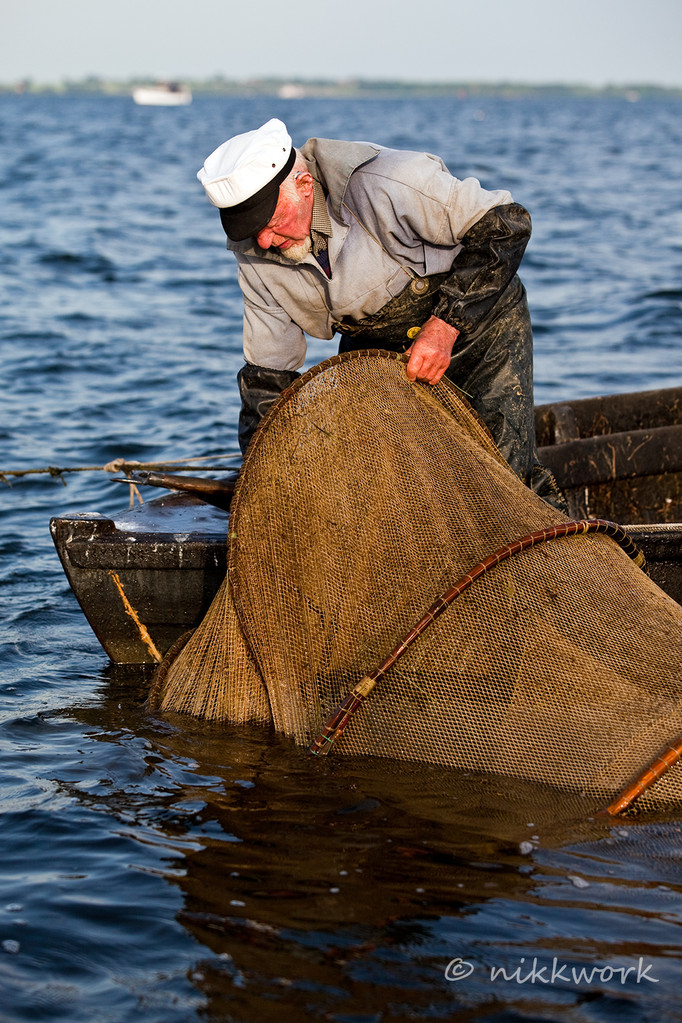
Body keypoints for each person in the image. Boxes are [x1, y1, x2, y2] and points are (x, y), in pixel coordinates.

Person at [197, 118, 564, 507]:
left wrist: (445, 326)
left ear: (304, 186)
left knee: (501, 478)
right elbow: (267, 383)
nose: (265, 241)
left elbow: (506, 225)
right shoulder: (256, 253)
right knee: (387, 485)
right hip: (377, 350)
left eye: (270, 224)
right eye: (250, 234)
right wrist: (267, 475)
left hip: (479, 328)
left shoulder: (388, 180)